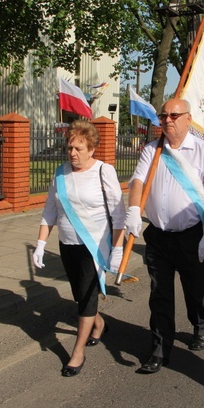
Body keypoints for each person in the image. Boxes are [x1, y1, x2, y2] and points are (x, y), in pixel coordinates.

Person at [126, 98, 204, 374]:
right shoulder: (152, 150)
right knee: (159, 294)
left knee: (197, 288)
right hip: (159, 236)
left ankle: (202, 324)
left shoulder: (203, 152)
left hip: (192, 234)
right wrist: (134, 210)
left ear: (188, 118)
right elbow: (138, 181)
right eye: (164, 116)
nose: (167, 120)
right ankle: (160, 349)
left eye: (174, 115)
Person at [33, 120, 126, 377]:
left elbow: (119, 215)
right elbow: (50, 209)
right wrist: (41, 243)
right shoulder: (60, 172)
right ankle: (99, 323)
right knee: (80, 294)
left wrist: (117, 249)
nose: (73, 153)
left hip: (94, 246)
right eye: (70, 148)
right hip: (67, 243)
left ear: (92, 148)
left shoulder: (103, 172)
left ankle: (77, 352)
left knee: (86, 296)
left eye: (78, 148)